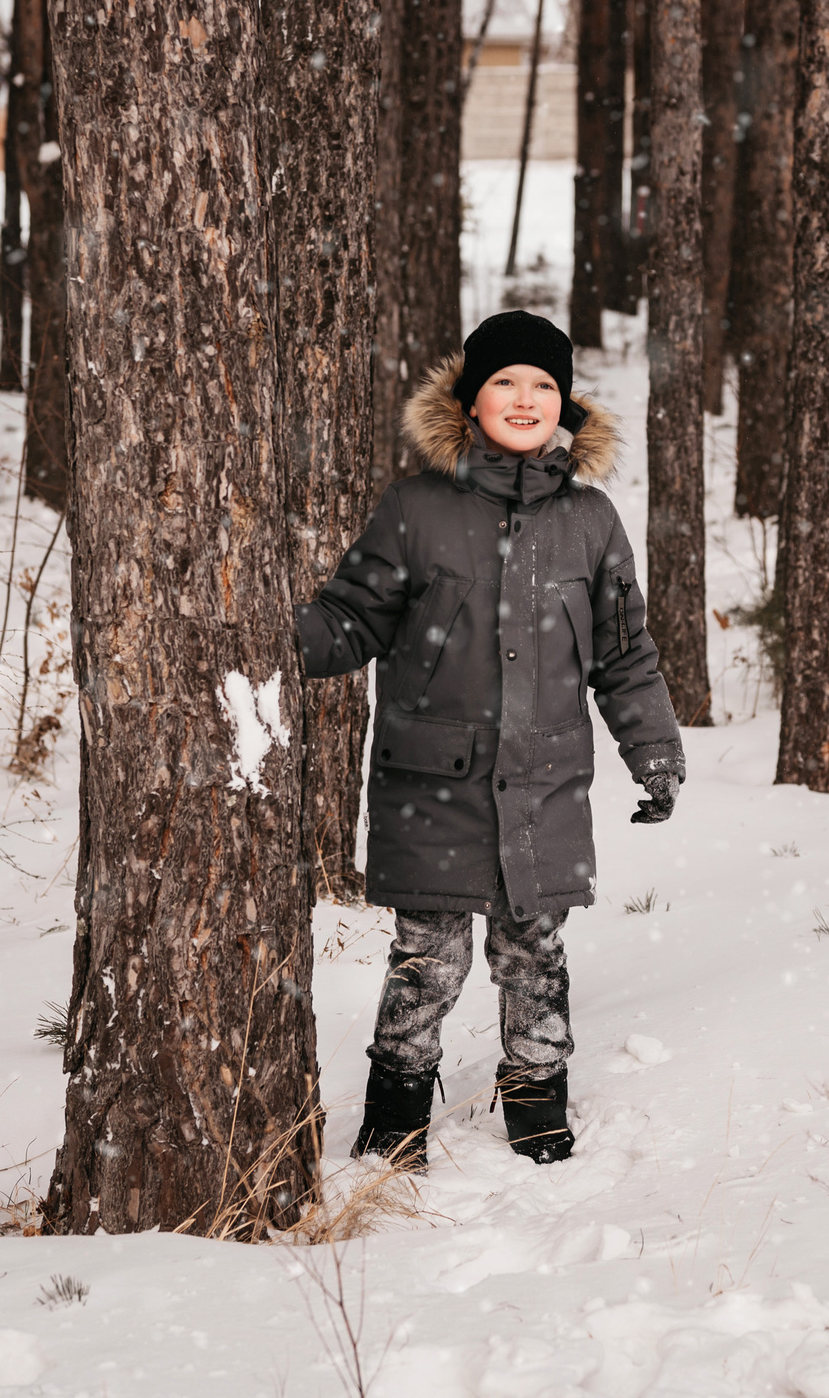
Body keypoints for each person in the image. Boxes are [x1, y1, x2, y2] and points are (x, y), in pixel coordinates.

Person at [293, 310, 685, 1169]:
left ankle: (539, 1107)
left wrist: (652, 752)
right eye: (504, 381)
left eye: (543, 385)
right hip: (431, 778)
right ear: (469, 401)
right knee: (425, 959)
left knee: (535, 951)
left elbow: (623, 654)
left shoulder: (590, 521)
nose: (524, 398)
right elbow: (352, 618)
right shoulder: (418, 508)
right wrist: (275, 642)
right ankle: (395, 1120)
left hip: (544, 781)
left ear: (565, 408)